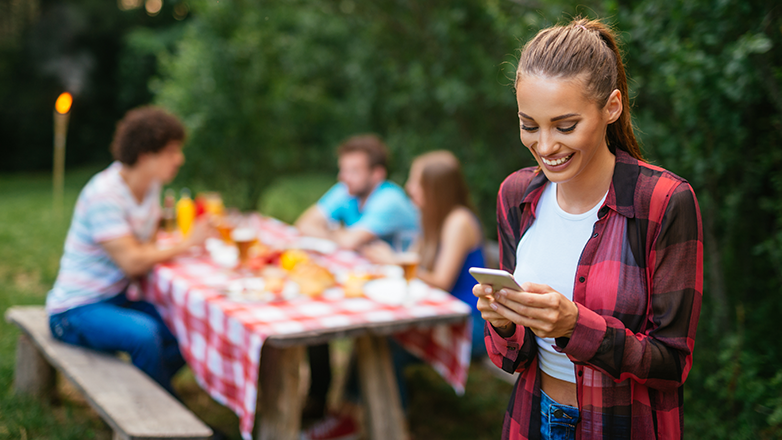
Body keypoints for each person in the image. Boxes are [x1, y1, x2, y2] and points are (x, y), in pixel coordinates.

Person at [473, 18, 703, 440]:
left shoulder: (663, 202)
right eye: (529, 125)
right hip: (532, 417)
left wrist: (574, 326)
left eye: (565, 127)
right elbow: (513, 357)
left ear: (611, 107)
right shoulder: (517, 195)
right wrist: (505, 323)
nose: (545, 146)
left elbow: (672, 364)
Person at [46, 106, 211, 396]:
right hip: (74, 310)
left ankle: (142, 393)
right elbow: (133, 262)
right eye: (172, 151)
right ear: (146, 156)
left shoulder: (150, 185)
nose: (179, 159)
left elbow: (144, 241)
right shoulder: (104, 195)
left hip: (116, 297)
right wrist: (188, 243)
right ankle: (165, 415)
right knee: (144, 334)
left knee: (186, 326)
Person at [294, 134, 419, 429]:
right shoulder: (346, 190)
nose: (343, 176)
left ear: (376, 174)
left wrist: (336, 235)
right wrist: (341, 238)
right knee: (313, 318)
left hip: (404, 298)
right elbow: (304, 223)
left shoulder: (389, 199)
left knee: (327, 320)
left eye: (352, 170)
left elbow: (348, 242)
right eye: (343, 169)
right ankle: (320, 400)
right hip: (367, 288)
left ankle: (353, 417)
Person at [363, 150, 486, 357]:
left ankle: (378, 390)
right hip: (439, 312)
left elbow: (441, 281)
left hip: (469, 321)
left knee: (386, 344)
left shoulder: (458, 222)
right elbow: (414, 261)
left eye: (416, 183)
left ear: (436, 189)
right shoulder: (430, 216)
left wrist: (393, 261)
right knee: (376, 338)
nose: (409, 188)